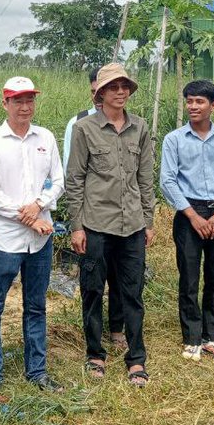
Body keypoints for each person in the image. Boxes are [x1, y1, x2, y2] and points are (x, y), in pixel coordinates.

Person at [66, 63, 155, 388]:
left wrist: (148, 220)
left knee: (132, 293)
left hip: (132, 225)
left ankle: (136, 359)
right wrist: (77, 226)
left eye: (125, 86)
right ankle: (95, 354)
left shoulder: (140, 128)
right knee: (92, 291)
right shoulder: (84, 129)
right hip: (95, 225)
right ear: (100, 92)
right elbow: (74, 179)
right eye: (113, 87)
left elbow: (145, 178)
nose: (120, 92)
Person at [0, 77, 64, 391]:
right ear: (5, 103)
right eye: (18, 101)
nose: (25, 107)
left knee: (36, 305)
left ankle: (37, 372)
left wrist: (39, 205)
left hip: (39, 238)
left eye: (29, 100)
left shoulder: (46, 138)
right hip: (4, 239)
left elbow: (57, 180)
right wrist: (28, 217)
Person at [160, 80, 214, 363]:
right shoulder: (174, 139)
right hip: (189, 214)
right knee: (189, 277)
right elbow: (168, 181)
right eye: (189, 101)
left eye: (199, 102)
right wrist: (194, 216)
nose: (193, 106)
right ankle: (192, 337)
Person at [63, 66, 126, 351]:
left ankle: (118, 328)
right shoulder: (78, 124)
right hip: (93, 215)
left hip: (122, 217)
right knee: (93, 280)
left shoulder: (129, 124)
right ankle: (94, 339)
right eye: (95, 92)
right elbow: (72, 171)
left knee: (120, 277)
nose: (98, 98)